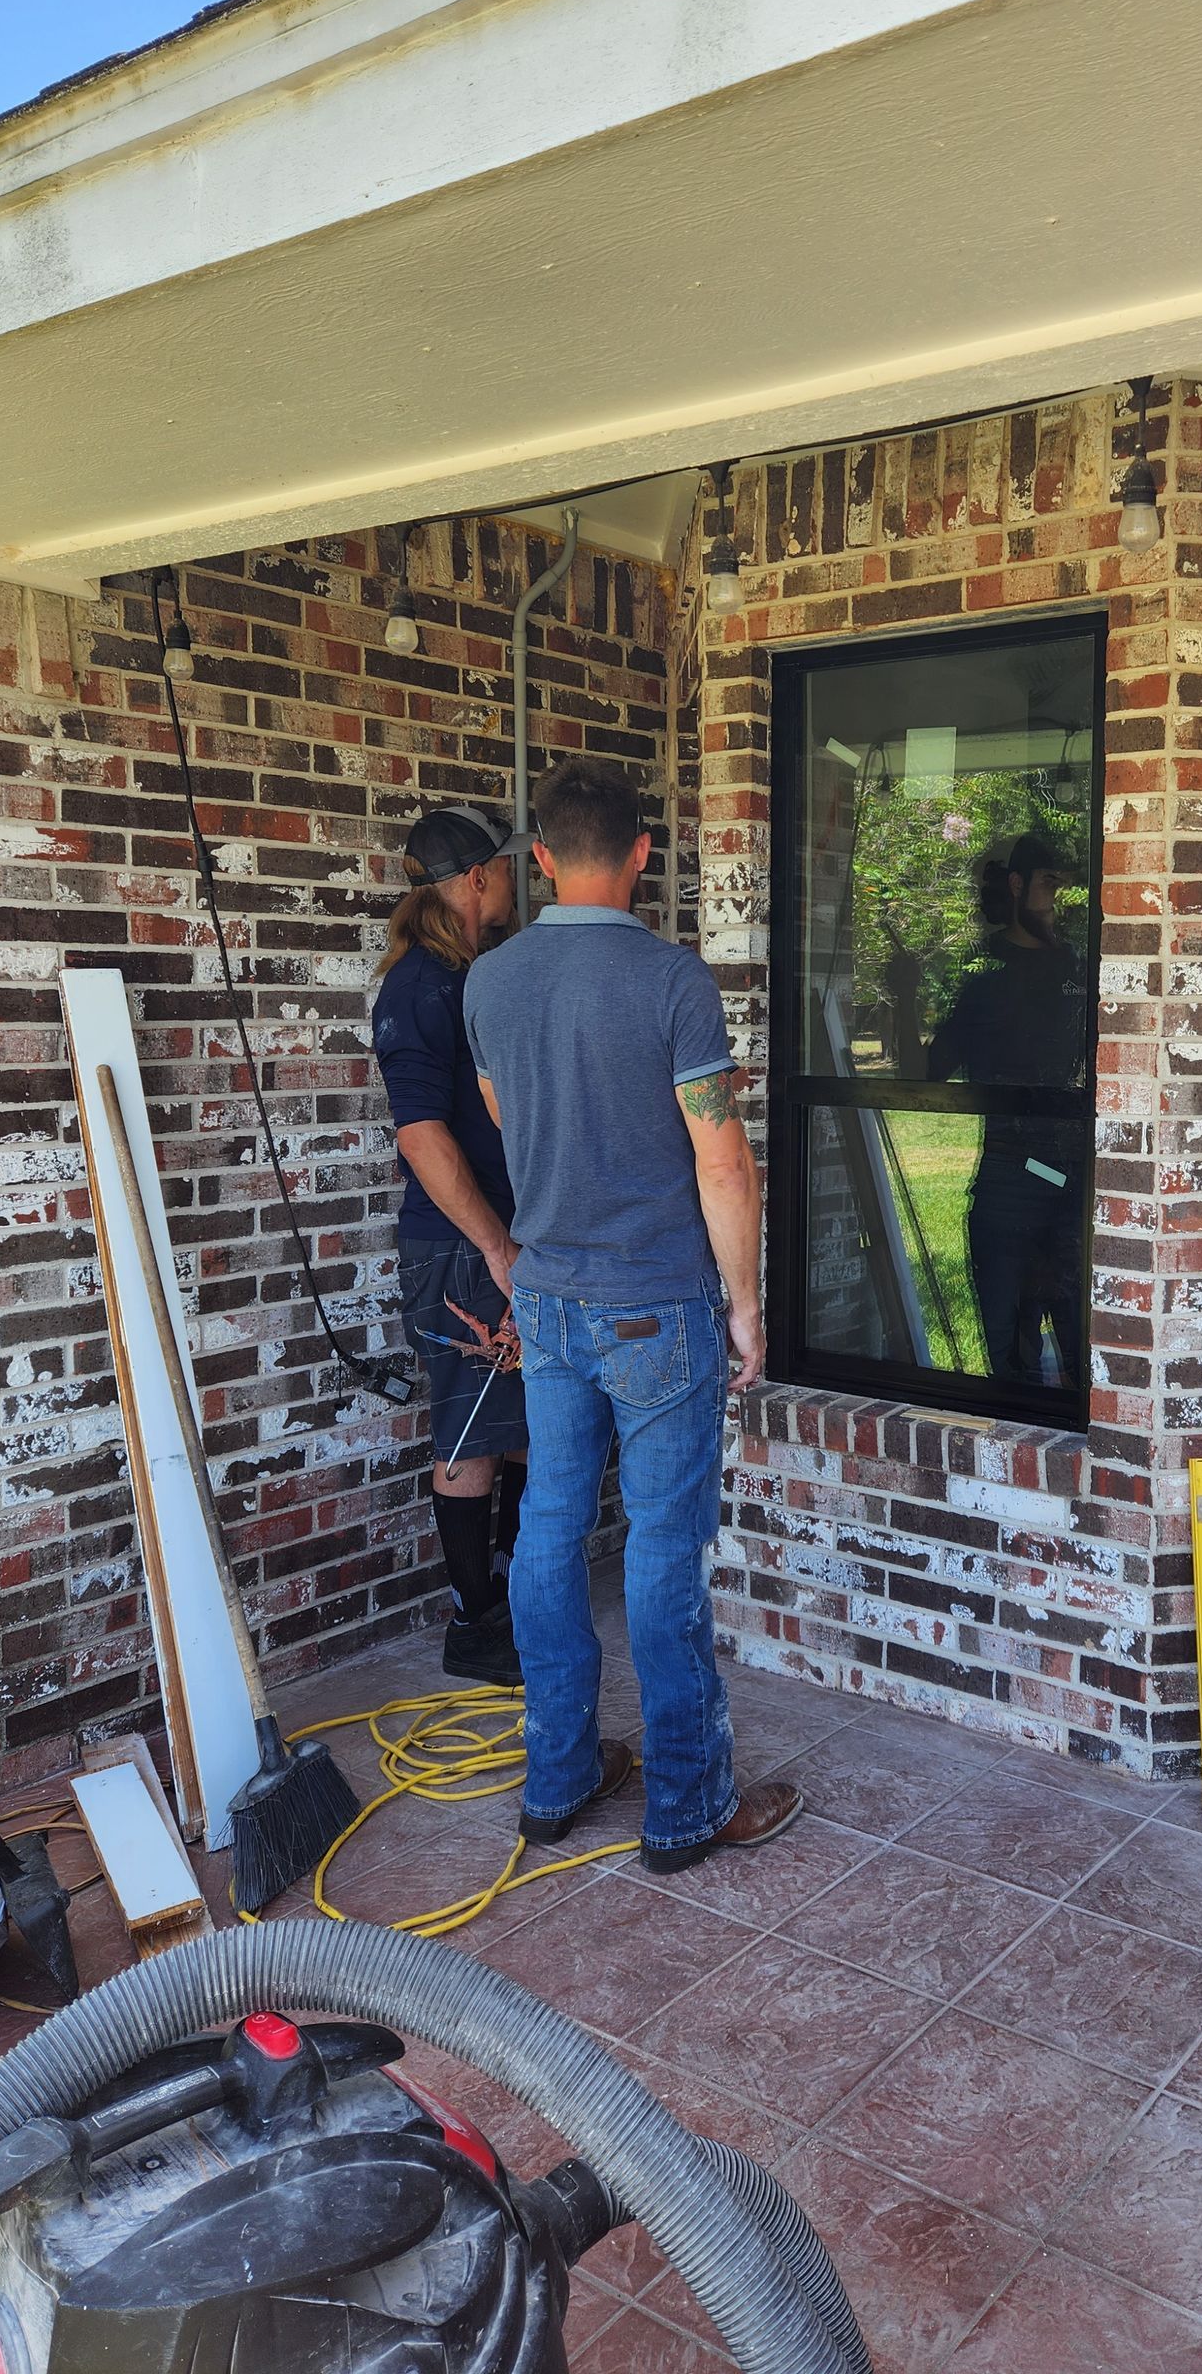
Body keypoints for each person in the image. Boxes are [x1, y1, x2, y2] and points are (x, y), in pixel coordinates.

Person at [463, 757, 801, 1873]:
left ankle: (556, 1777)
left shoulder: (490, 983)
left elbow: (510, 1126)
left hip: (551, 1301)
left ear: (544, 856)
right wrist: (747, 1305)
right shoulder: (672, 981)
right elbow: (723, 1160)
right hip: (657, 1305)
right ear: (644, 855)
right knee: (662, 1548)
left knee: (551, 1533)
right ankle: (688, 1805)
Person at [370, 803, 527, 1687]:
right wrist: (498, 1246)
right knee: (469, 1437)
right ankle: (474, 1626)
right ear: (475, 879)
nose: (511, 878)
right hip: (465, 1246)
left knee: (529, 1432)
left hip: (504, 1240)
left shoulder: (476, 976)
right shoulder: (420, 986)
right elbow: (422, 1135)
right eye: (503, 866)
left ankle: (510, 1596)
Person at [928, 833, 1088, 1387]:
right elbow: (932, 1069)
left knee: (1085, 1349)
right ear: (1018, 886)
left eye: (1064, 887)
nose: (1057, 899)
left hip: (1075, 1184)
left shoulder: (1081, 970)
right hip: (1008, 1181)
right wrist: (905, 1001)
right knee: (1012, 1356)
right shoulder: (984, 973)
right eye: (1049, 883)